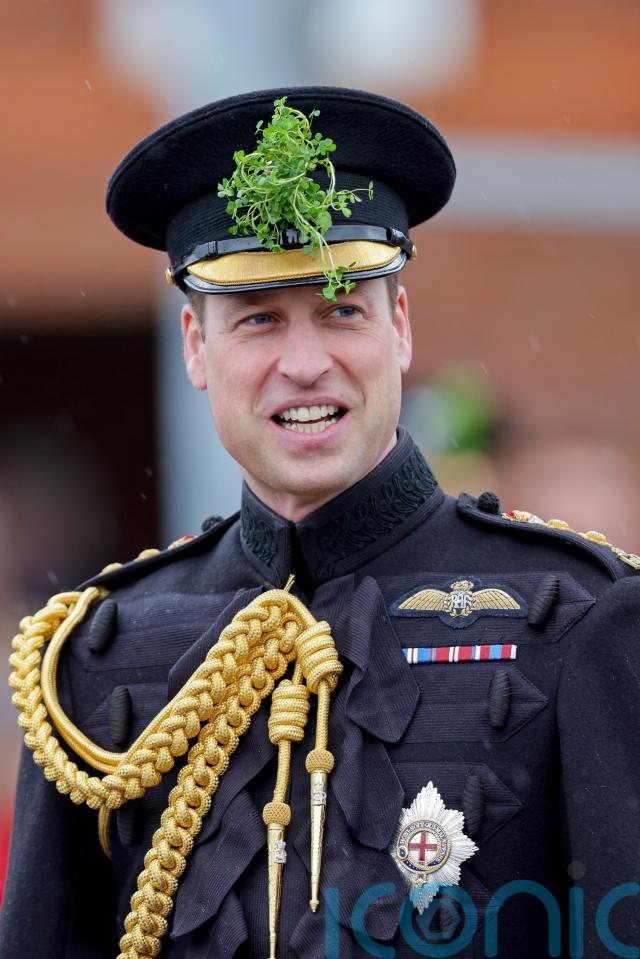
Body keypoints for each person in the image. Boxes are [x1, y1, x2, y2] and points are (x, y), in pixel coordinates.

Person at [2, 86, 639, 959]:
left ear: (399, 328)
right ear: (195, 345)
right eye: (259, 320)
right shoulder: (94, 653)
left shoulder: (578, 618)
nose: (304, 364)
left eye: (342, 309)